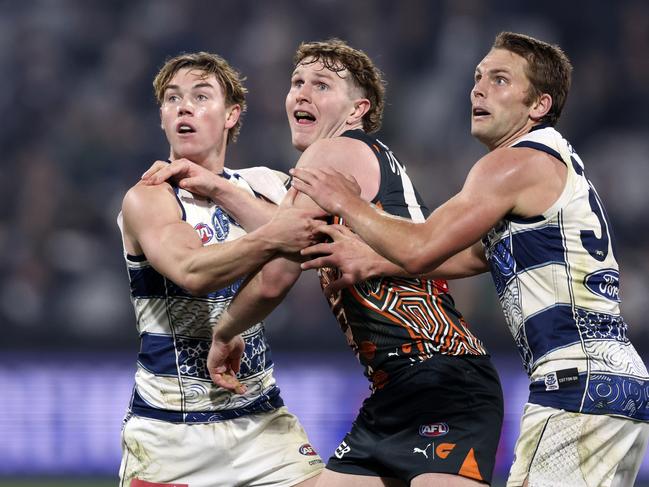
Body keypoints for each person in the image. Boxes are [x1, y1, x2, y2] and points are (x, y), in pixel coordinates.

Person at [291, 32, 649, 487]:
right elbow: (478, 252)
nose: (478, 89)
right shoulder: (560, 162)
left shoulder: (511, 164)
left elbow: (422, 246)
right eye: (478, 77)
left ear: (538, 105)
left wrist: (349, 203)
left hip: (575, 386)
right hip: (623, 383)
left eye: (500, 80)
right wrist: (379, 263)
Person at [207, 39, 504, 487]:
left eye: (322, 85)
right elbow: (293, 234)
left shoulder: (331, 155)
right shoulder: (365, 159)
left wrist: (225, 331)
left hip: (440, 382)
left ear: (356, 109)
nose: (302, 94)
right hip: (401, 388)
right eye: (297, 83)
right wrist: (218, 188)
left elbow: (278, 274)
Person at [117, 51, 325, 487]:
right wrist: (272, 236)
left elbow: (316, 244)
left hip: (260, 420)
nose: (184, 107)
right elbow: (193, 271)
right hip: (170, 434)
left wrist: (218, 187)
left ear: (232, 114)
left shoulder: (263, 184)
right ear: (161, 118)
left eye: (200, 95)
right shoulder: (150, 197)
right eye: (172, 98)